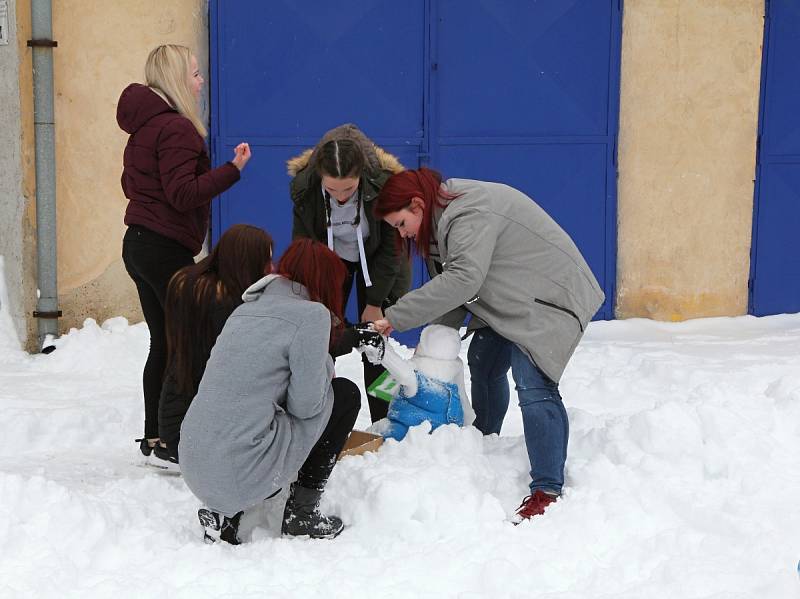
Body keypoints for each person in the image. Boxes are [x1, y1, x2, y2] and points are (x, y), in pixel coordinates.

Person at [370, 168, 605, 523]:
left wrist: (395, 317)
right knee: (483, 361)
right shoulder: (440, 224)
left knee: (533, 383)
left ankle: (547, 489)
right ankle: (484, 440)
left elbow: (464, 279)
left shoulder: (467, 212)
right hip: (512, 300)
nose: (402, 234)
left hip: (551, 297)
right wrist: (431, 349)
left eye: (402, 224)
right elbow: (453, 294)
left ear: (417, 204)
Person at [179, 239, 375, 543]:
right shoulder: (312, 315)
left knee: (254, 406)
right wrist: (324, 362)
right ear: (325, 281)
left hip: (194, 463)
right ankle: (301, 514)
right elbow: (307, 408)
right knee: (344, 395)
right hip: (241, 467)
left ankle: (225, 514)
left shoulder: (244, 311)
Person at [117, 44, 252, 458]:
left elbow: (132, 186)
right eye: (194, 73)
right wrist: (232, 171)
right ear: (177, 78)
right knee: (186, 343)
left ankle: (156, 435)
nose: (200, 81)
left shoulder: (146, 126)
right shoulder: (175, 128)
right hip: (163, 249)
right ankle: (173, 442)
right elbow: (182, 194)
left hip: (139, 245)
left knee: (165, 341)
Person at [287, 123, 410, 422]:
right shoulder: (305, 190)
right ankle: (317, 414)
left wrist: (375, 301)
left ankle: (383, 418)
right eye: (331, 189)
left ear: (362, 177)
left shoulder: (383, 186)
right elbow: (304, 248)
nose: (340, 197)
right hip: (330, 263)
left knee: (376, 341)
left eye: (349, 189)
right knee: (322, 338)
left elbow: (390, 250)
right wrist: (319, 300)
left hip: (378, 264)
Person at [148, 224, 274, 470]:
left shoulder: (192, 284)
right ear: (245, 261)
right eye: (265, 260)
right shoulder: (229, 306)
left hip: (174, 419)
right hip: (196, 433)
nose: (270, 267)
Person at [357, 324, 475, 442]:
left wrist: (379, 345)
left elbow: (402, 373)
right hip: (445, 435)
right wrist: (470, 426)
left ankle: (358, 449)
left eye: (421, 341)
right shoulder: (451, 376)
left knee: (379, 429)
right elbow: (464, 402)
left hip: (410, 432)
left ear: (428, 346)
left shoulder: (417, 375)